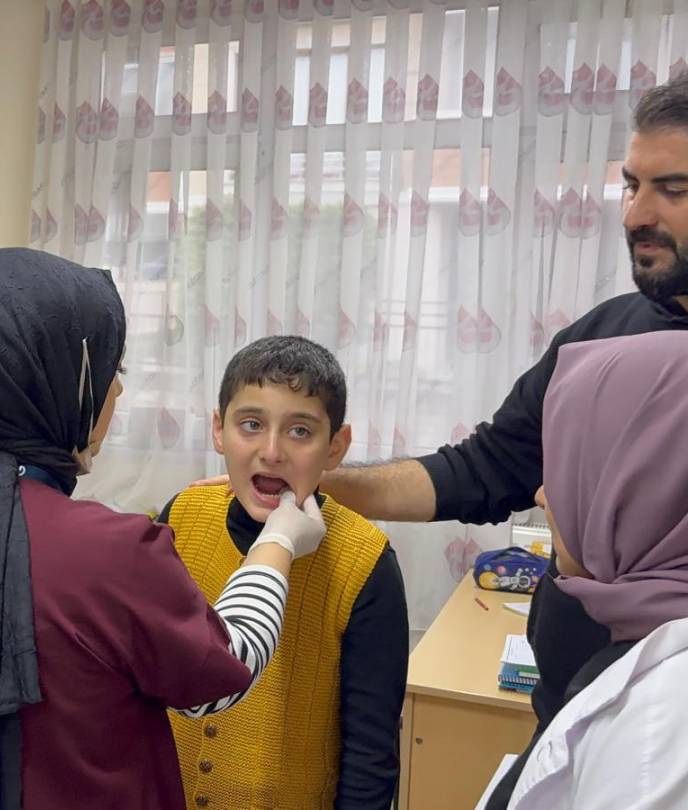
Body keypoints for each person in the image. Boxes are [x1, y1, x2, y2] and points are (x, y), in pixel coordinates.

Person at [190, 72, 688, 806]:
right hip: (573, 701)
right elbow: (486, 467)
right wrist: (309, 478)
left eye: (673, 189)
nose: (638, 213)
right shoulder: (604, 336)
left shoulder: (365, 572)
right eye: (630, 185)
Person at [0, 248, 327, 810]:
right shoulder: (110, 554)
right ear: (54, 380)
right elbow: (219, 674)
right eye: (112, 371)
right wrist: (279, 540)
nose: (118, 392)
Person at [162, 336, 408, 810]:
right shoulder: (181, 515)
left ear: (336, 447)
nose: (272, 452)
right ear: (218, 430)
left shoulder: (368, 562)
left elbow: (370, 756)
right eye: (251, 424)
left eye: (300, 431)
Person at [505, 331, 688, 808]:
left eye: (572, 466)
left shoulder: (657, 735)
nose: (542, 495)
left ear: (641, 487)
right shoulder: (642, 640)